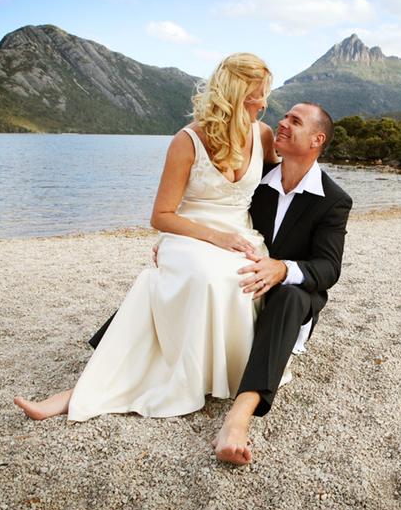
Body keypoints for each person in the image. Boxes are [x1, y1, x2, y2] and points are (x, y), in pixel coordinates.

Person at [14, 52, 278, 427]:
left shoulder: (263, 135)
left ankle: (227, 373)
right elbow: (161, 216)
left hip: (241, 235)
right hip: (191, 234)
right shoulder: (187, 141)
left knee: (240, 278)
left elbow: (281, 188)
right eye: (257, 95)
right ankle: (97, 390)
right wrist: (215, 237)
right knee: (203, 277)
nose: (265, 103)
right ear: (235, 95)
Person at [89, 102, 353, 465]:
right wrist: (179, 243)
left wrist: (282, 269)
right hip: (239, 280)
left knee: (290, 297)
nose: (282, 122)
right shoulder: (257, 181)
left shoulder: (334, 200)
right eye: (285, 116)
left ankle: (240, 414)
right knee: (189, 271)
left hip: (288, 296)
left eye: (295, 121)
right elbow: (218, 215)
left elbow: (328, 268)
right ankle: (116, 343)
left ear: (316, 139)